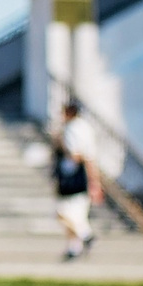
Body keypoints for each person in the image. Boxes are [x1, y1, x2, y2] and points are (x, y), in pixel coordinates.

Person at [54, 100, 101, 260]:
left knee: (63, 212)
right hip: (82, 174)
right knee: (78, 215)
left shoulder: (71, 129)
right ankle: (75, 247)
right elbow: (91, 156)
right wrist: (95, 181)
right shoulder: (86, 128)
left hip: (72, 175)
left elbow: (75, 154)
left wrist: (59, 144)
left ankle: (85, 236)